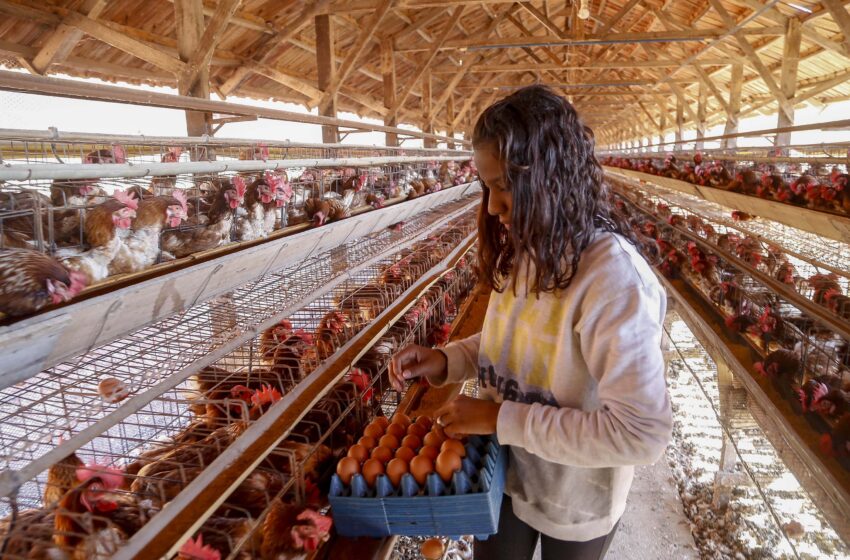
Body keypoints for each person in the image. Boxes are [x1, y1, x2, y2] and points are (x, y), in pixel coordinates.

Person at [389, 85, 673, 560]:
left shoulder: (614, 280)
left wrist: (501, 418)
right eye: (486, 188)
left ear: (550, 177)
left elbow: (641, 434)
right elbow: (516, 343)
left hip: (574, 498)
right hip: (503, 474)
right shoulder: (528, 249)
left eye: (503, 186)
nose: (493, 207)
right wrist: (448, 361)